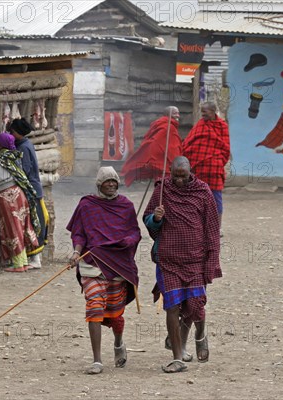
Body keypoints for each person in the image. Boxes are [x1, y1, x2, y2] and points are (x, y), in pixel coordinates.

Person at [143, 156, 221, 373]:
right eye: (175, 176)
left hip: (195, 259)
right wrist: (156, 218)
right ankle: (177, 357)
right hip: (168, 259)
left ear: (190, 172)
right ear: (170, 172)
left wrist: (211, 260)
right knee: (173, 306)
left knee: (194, 305)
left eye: (183, 176)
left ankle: (200, 334)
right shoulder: (162, 190)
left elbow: (212, 228)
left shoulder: (203, 192)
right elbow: (148, 220)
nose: (178, 181)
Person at [66, 166, 141, 375]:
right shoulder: (87, 205)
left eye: (114, 181)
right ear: (99, 184)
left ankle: (118, 343)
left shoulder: (126, 206)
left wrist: (127, 240)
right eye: (106, 181)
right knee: (94, 307)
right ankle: (97, 360)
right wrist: (76, 252)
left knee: (115, 313)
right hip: (92, 263)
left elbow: (135, 233)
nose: (110, 184)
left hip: (117, 264)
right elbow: (79, 233)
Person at [0, 133, 39, 273]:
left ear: (1, 145)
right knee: (20, 228)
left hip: (8, 197)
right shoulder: (13, 157)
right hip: (18, 195)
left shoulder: (3, 159)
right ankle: (22, 262)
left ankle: (18, 264)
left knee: (12, 229)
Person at [182, 102, 230, 233]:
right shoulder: (200, 124)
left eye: (206, 112)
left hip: (214, 168)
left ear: (213, 111)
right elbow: (189, 142)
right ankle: (196, 226)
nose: (203, 114)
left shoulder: (222, 126)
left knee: (216, 198)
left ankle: (217, 228)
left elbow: (225, 148)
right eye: (202, 112)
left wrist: (219, 161)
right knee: (197, 197)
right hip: (199, 168)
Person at [8, 118, 47, 269]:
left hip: (31, 190)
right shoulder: (25, 144)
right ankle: (36, 257)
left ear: (18, 132)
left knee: (34, 223)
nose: (10, 134)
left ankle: (36, 259)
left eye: (12, 131)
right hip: (34, 188)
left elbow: (24, 170)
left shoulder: (23, 147)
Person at [121, 106, 182, 185]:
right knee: (165, 182)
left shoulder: (164, 124)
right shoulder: (168, 127)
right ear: (167, 114)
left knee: (161, 181)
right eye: (175, 113)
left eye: (178, 113)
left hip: (157, 158)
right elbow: (166, 145)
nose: (178, 116)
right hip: (162, 158)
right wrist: (175, 160)